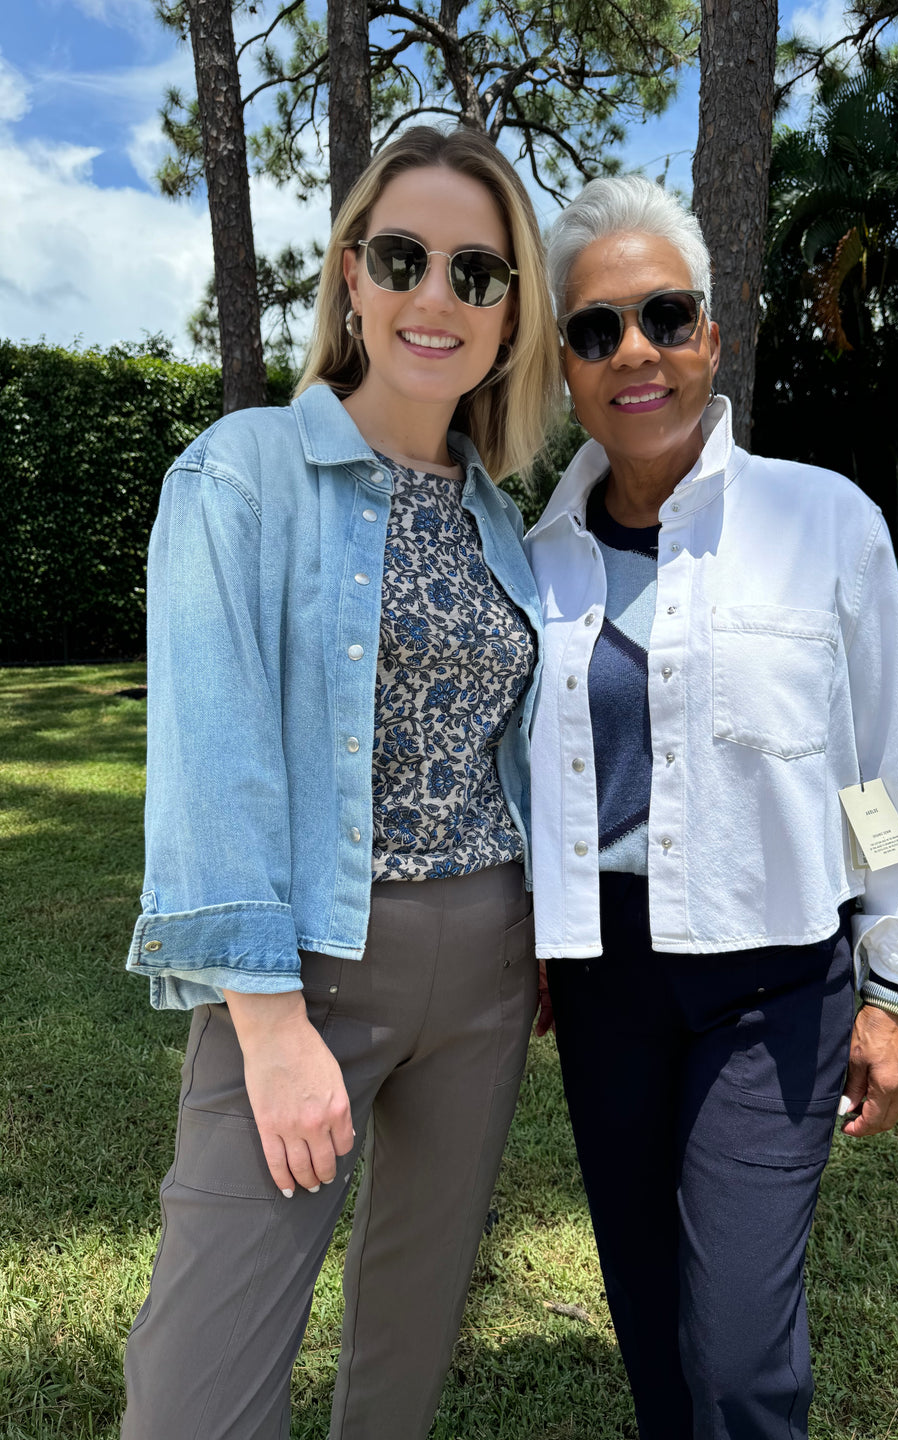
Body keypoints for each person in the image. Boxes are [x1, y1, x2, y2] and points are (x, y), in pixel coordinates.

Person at [525, 175, 898, 1440]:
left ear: (712, 336)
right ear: (566, 367)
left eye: (664, 316)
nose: (635, 351)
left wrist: (892, 992)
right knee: (646, 1311)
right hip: (606, 985)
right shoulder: (537, 563)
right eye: (595, 331)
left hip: (774, 990)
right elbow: (523, 778)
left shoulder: (823, 519)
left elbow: (877, 772)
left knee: (739, 1352)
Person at [121, 126, 560, 1440]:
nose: (438, 296)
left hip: (490, 968)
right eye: (404, 257)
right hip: (310, 964)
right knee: (205, 1381)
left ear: (509, 311)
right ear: (352, 281)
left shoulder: (498, 512)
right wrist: (264, 1028)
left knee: (409, 1343)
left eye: (477, 273)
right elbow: (211, 754)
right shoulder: (243, 471)